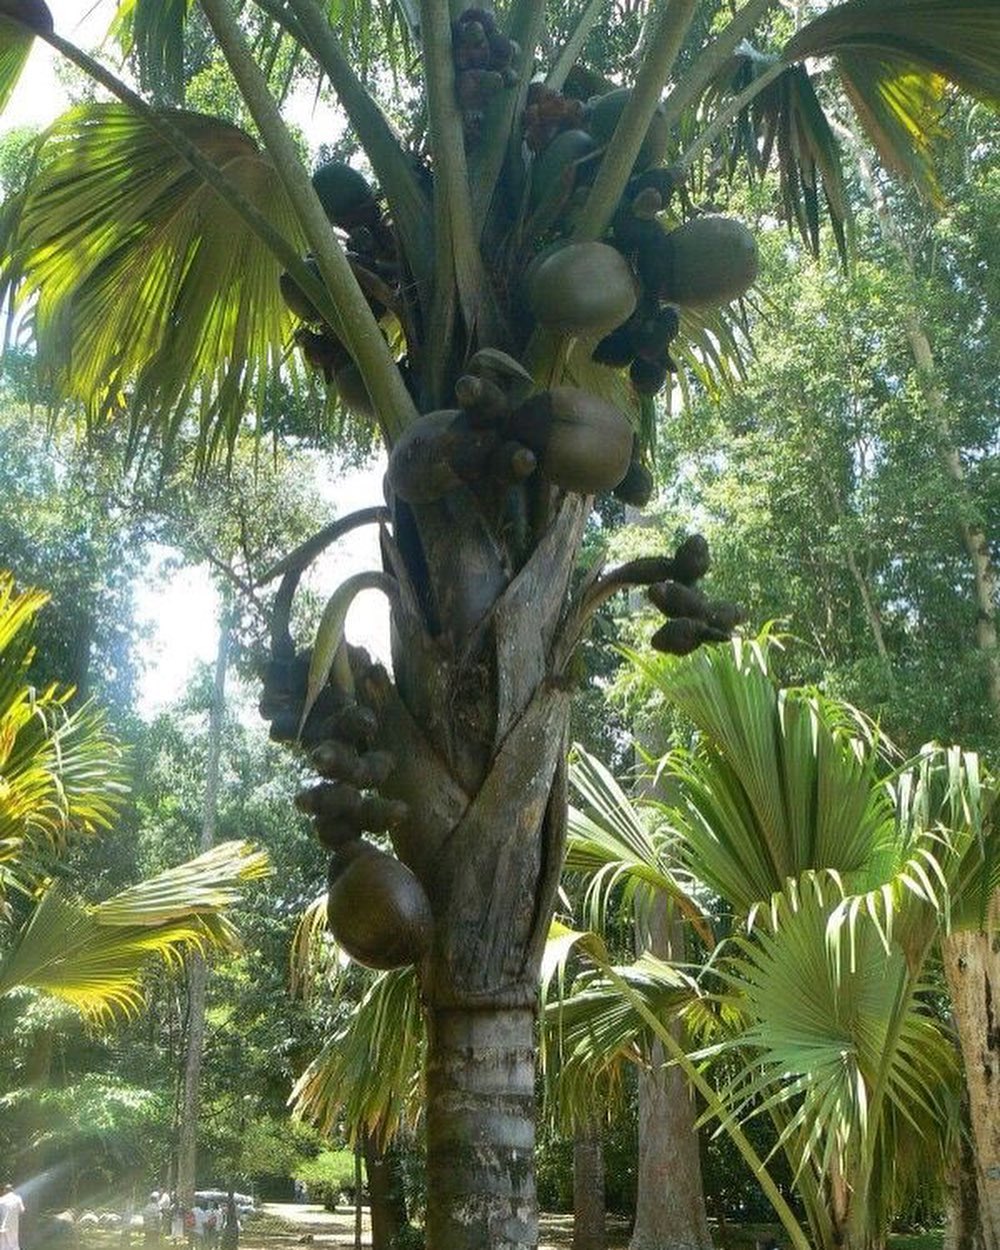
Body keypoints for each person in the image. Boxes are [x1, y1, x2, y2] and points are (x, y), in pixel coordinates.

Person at [0, 1184, 24, 1250]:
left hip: (2, 1226)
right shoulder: (18, 1198)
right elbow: (22, 1210)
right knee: (14, 1244)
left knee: (3, 1245)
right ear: (12, 1190)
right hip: (14, 1225)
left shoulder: (1, 1200)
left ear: (5, 1191)